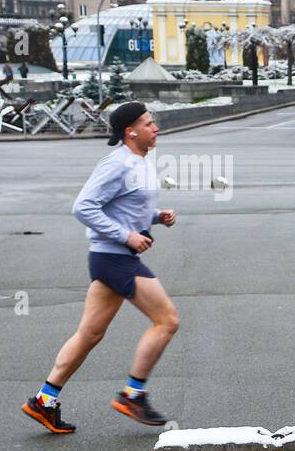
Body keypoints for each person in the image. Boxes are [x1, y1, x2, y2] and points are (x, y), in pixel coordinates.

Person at [21, 101, 179, 433]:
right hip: (113, 258)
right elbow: (84, 206)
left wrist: (155, 217)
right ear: (130, 131)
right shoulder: (116, 164)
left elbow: (124, 205)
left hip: (115, 257)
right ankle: (132, 394)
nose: (156, 128)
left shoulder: (140, 161)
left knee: (90, 334)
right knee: (166, 320)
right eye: (149, 124)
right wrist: (127, 236)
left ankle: (43, 402)